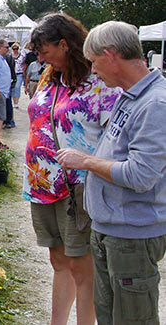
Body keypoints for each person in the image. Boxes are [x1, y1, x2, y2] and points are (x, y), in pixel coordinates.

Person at [57, 21, 166, 325]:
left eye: (94, 61)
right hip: (111, 229)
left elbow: (141, 176)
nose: (92, 71)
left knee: (133, 319)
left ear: (111, 54)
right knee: (108, 315)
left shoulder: (155, 104)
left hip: (132, 233)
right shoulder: (130, 95)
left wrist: (87, 162)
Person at [26, 13, 121, 325]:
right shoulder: (51, 77)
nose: (40, 58)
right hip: (42, 185)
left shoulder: (99, 85)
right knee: (58, 261)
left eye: (44, 51)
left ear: (64, 45)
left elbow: (115, 139)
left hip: (76, 187)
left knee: (82, 267)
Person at [11, 42, 25, 108]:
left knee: (17, 87)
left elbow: (24, 65)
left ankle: (16, 102)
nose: (15, 50)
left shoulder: (22, 56)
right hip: (12, 73)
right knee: (13, 88)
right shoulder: (10, 56)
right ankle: (14, 101)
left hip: (19, 73)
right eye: (14, 49)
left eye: (16, 48)